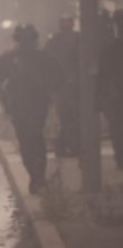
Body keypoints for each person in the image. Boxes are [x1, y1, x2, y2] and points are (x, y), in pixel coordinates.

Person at [0, 24, 63, 194]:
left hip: (30, 104)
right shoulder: (12, 59)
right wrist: (4, 96)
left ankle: (37, 177)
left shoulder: (39, 58)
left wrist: (4, 96)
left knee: (30, 139)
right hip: (24, 104)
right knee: (31, 139)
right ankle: (37, 176)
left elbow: (58, 77)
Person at [45, 14, 80, 157]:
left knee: (72, 117)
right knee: (68, 117)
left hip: (73, 85)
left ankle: (67, 145)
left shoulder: (78, 39)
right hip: (63, 86)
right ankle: (68, 145)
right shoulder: (54, 41)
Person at [98, 10, 123, 171]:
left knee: (118, 129)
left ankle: (121, 158)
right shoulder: (109, 48)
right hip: (115, 96)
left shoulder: (109, 48)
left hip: (115, 96)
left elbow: (102, 74)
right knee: (117, 128)